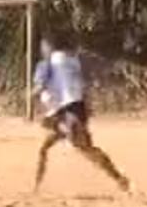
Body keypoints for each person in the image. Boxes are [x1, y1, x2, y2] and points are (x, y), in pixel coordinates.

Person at [33, 35, 130, 193]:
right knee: (75, 148)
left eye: (43, 47)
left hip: (64, 112)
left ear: (48, 47)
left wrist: (31, 95)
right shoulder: (72, 61)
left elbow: (40, 85)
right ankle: (36, 187)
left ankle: (35, 187)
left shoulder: (48, 63)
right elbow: (82, 87)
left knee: (73, 147)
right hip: (75, 109)